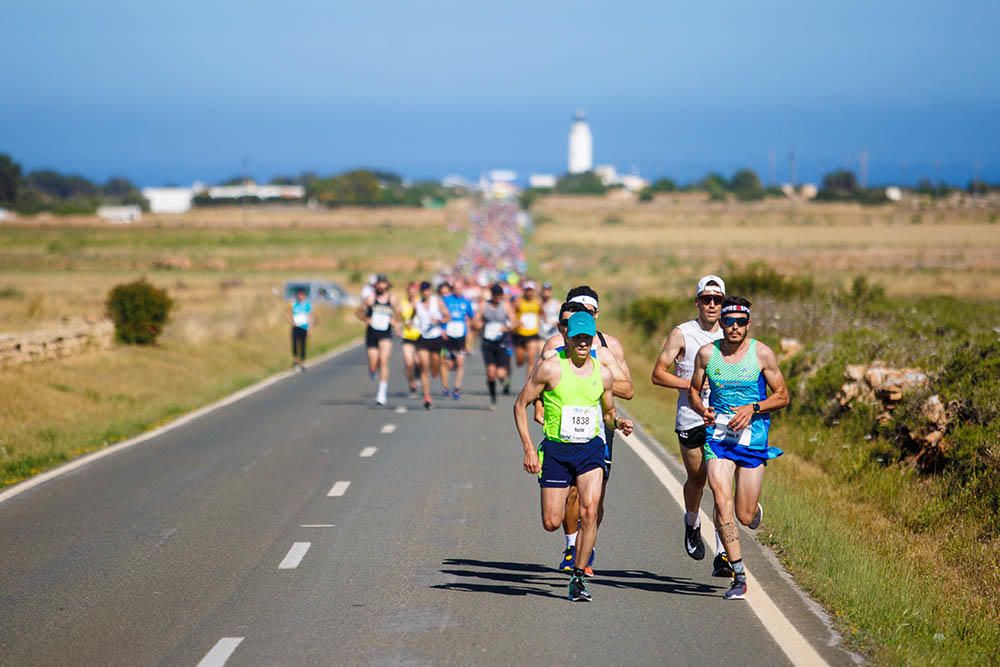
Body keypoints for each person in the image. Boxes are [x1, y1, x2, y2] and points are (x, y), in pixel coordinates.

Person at [514, 311, 633, 602]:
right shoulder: (550, 369)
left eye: (586, 337)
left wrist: (618, 423)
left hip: (590, 449)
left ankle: (578, 576)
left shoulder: (603, 373)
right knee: (551, 521)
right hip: (556, 450)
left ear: (592, 338)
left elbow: (607, 412)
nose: (582, 342)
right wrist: (529, 448)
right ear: (566, 336)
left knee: (589, 511)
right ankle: (571, 551)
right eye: (577, 336)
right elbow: (520, 405)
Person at [688, 296, 790, 600]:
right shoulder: (707, 354)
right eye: (729, 322)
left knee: (744, 515)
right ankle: (739, 573)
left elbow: (783, 396)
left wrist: (753, 407)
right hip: (719, 438)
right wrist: (701, 409)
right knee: (721, 500)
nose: (734, 327)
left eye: (740, 322)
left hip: (752, 438)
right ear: (720, 323)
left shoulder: (762, 354)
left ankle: (752, 509)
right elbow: (694, 390)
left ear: (748, 324)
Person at [536, 286, 634, 575]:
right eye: (576, 311)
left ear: (596, 314)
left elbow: (628, 389)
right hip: (563, 434)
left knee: (594, 498)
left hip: (600, 429)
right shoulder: (554, 343)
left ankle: (585, 551)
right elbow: (540, 385)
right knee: (571, 496)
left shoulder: (608, 348)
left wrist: (598, 377)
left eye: (588, 312)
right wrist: (540, 409)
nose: (581, 317)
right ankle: (571, 544)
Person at [650, 275, 730, 573]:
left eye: (717, 300)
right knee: (698, 480)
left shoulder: (733, 334)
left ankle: (723, 554)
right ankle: (692, 522)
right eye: (706, 299)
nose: (712, 305)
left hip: (723, 419)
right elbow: (658, 374)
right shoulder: (682, 334)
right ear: (697, 302)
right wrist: (693, 384)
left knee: (722, 484)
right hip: (691, 418)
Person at [357, 274, 397, 406]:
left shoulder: (392, 299)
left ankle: (381, 393)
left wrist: (395, 321)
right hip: (372, 333)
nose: (381, 286)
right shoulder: (370, 299)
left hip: (386, 333)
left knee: (384, 360)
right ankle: (372, 369)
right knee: (374, 362)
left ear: (387, 285)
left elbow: (400, 314)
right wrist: (366, 319)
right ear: (376, 285)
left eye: (383, 283)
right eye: (379, 283)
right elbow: (358, 312)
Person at [475, 283, 516, 409]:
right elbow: (475, 321)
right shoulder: (484, 306)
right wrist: (478, 325)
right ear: (492, 295)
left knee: (501, 374)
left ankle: (505, 381)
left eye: (500, 296)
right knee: (491, 373)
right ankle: (493, 398)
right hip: (488, 342)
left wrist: (507, 327)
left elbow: (515, 321)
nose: (498, 298)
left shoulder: (506, 306)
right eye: (496, 295)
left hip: (502, 342)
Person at [414, 281, 449, 410]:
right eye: (423, 291)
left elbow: (447, 316)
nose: (426, 293)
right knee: (424, 367)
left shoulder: (437, 301)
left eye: (428, 290)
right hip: (423, 338)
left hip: (436, 337)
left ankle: (435, 372)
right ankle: (427, 397)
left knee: (436, 364)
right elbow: (411, 318)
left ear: (430, 291)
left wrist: (439, 321)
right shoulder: (417, 305)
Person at [439, 282, 474, 400]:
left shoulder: (466, 301)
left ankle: (457, 388)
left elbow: (471, 317)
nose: (458, 290)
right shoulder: (446, 300)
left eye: (460, 288)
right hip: (447, 336)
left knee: (460, 363)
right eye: (456, 288)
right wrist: (442, 329)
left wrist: (470, 336)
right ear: (453, 289)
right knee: (446, 363)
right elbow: (441, 315)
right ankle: (445, 387)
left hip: (460, 336)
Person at [399, 282, 422, 398]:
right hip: (407, 336)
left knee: (419, 362)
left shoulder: (421, 302)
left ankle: (417, 376)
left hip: (420, 336)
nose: (412, 293)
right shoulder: (402, 303)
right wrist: (398, 327)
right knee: (409, 363)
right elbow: (397, 317)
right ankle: (411, 385)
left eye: (414, 291)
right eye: (410, 291)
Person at [512, 281, 542, 368]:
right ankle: (522, 357)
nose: (529, 292)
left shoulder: (538, 302)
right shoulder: (518, 302)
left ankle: (528, 381)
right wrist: (516, 322)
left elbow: (542, 314)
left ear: (533, 291)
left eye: (531, 290)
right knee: (520, 361)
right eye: (527, 290)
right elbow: (512, 314)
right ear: (524, 291)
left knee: (531, 361)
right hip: (520, 333)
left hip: (533, 333)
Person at [286, 287, 313, 371]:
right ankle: (295, 361)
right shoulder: (293, 304)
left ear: (304, 296)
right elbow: (287, 314)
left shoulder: (307, 305)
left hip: (304, 327)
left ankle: (303, 362)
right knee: (294, 344)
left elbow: (309, 317)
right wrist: (291, 323)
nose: (301, 297)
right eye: (299, 295)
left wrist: (309, 328)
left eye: (302, 295)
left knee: (303, 345)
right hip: (295, 327)